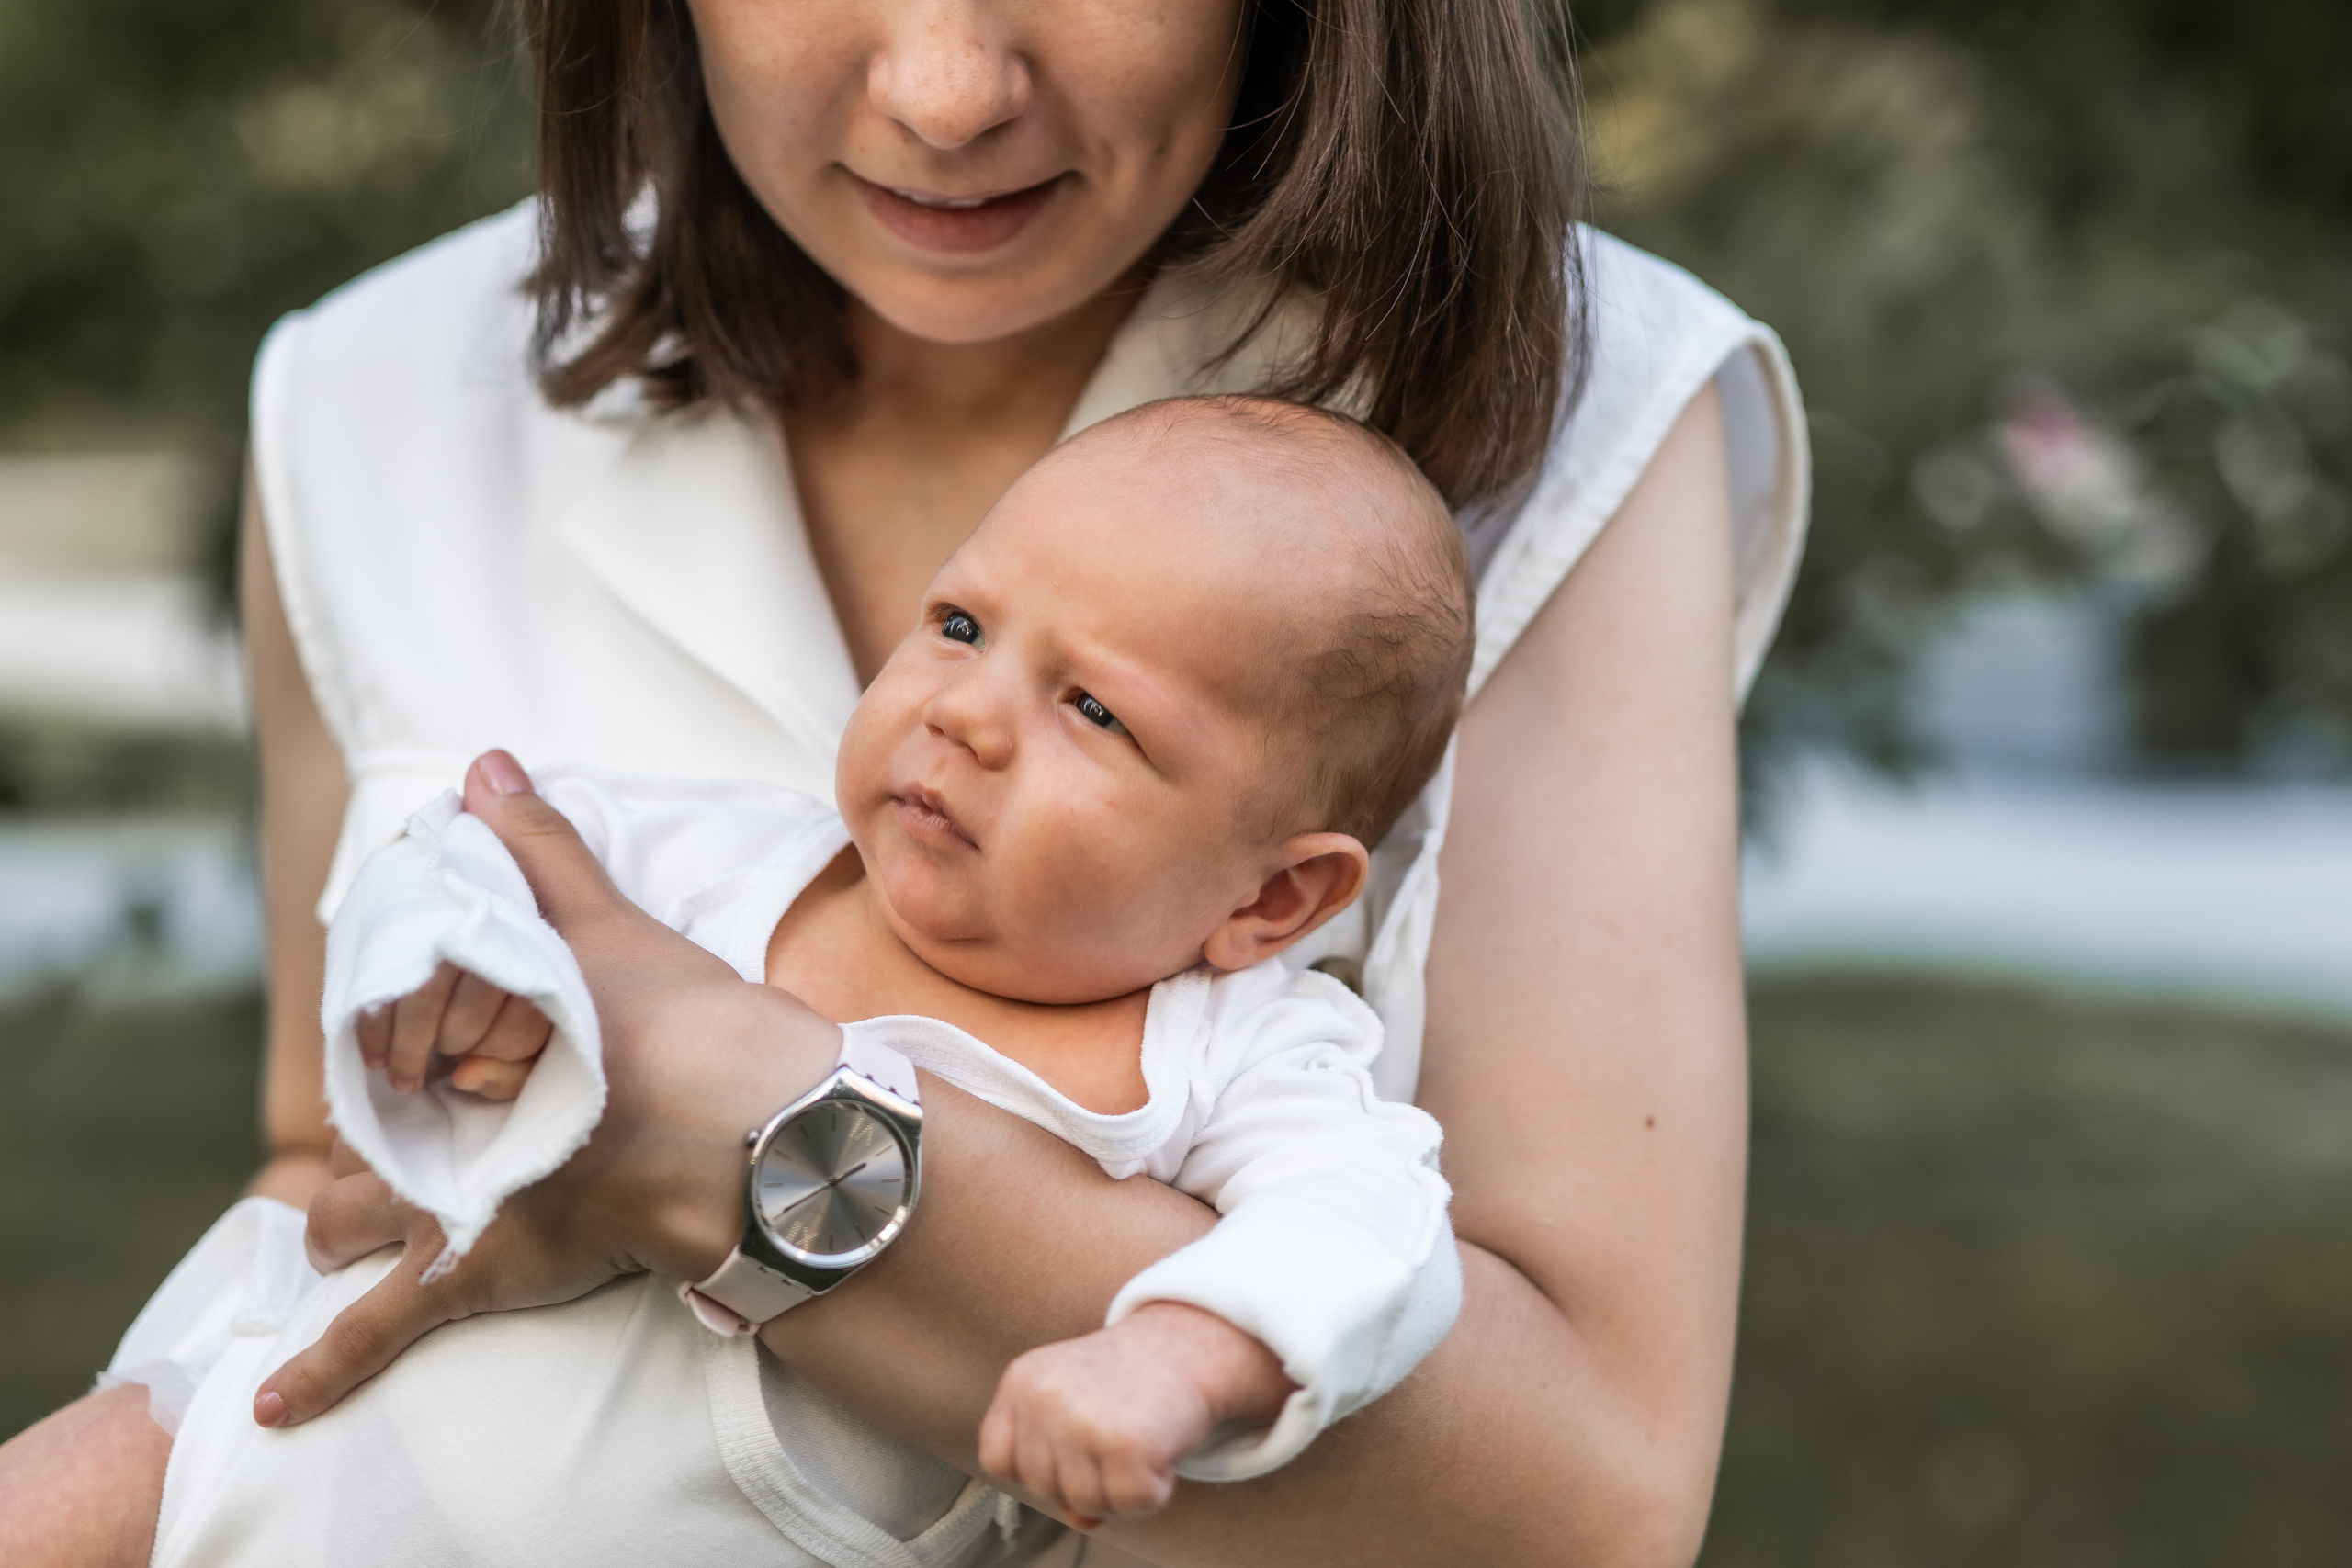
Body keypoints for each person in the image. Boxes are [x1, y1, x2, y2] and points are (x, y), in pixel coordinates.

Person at [0, 0, 1807, 1563]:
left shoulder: (1565, 405)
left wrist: (735, 1126)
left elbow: (1570, 1507)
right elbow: (334, 1162)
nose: (945, 90)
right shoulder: (373, 392)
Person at [123, 397, 1470, 1564]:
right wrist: (449, 971)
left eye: (1094, 709)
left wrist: (1180, 1354)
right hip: (245, 1445)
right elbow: (466, 846)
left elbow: (1371, 1236)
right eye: (960, 622)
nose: (963, 710)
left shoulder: (1240, 1054)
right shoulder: (733, 862)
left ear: (1273, 897)